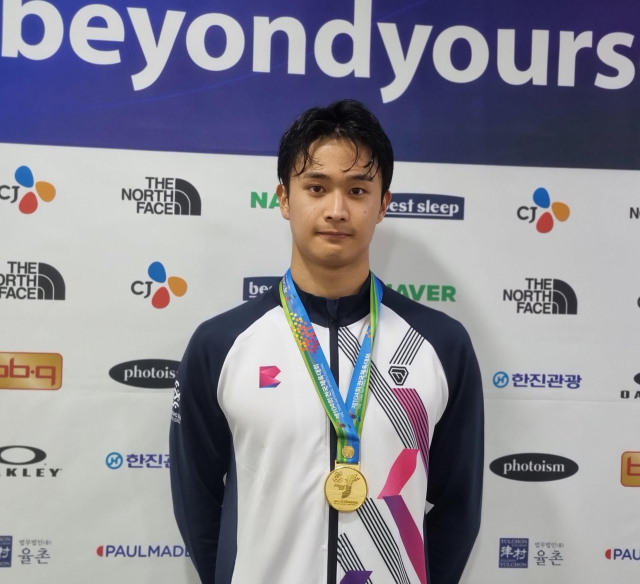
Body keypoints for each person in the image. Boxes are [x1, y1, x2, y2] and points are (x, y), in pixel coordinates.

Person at [169, 99, 484, 584]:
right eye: (316, 187)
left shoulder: (441, 345)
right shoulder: (221, 345)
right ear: (284, 198)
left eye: (357, 190)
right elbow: (197, 499)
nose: (337, 210)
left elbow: (459, 505)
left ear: (383, 204)